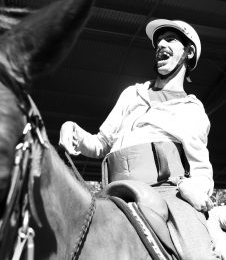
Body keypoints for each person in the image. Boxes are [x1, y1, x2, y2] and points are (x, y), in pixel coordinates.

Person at [59, 19, 217, 259]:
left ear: (189, 52)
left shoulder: (192, 110)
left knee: (199, 254)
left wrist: (193, 190)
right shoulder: (132, 94)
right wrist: (73, 130)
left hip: (167, 193)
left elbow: (202, 170)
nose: (161, 44)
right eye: (159, 41)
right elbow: (100, 143)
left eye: (170, 39)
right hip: (113, 192)